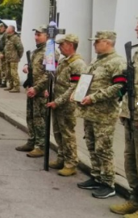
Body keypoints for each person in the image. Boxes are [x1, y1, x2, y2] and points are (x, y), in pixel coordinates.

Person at [76, 31, 126, 199]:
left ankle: (108, 183)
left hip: (104, 113)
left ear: (107, 42)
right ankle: (96, 176)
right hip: (90, 112)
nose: (94, 44)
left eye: (97, 42)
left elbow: (118, 87)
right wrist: (78, 94)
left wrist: (94, 97)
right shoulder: (97, 61)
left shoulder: (117, 62)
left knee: (103, 149)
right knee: (91, 145)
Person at [45, 34, 86, 176]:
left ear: (70, 45)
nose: (60, 48)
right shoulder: (64, 61)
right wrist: (49, 92)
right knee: (58, 133)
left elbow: (74, 88)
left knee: (67, 134)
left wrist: (58, 101)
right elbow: (56, 79)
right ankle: (61, 158)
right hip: (57, 102)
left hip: (67, 105)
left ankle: (71, 163)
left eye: (62, 45)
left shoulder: (78, 64)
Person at [110, 22, 138, 216]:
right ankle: (135, 200)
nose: (136, 28)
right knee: (130, 161)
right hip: (131, 115)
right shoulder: (136, 53)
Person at [16, 25, 55, 157]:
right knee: (31, 117)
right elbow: (36, 68)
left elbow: (49, 74)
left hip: (41, 91)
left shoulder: (49, 51)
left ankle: (41, 146)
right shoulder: (36, 51)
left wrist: (37, 88)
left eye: (39, 35)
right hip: (32, 89)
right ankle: (32, 141)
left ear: (47, 36)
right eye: (35, 34)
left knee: (40, 120)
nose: (36, 37)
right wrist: (27, 67)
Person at [3, 25, 23, 92]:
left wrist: (18, 56)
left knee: (14, 73)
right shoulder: (8, 37)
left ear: (11, 30)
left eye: (8, 28)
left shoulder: (15, 38)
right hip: (8, 58)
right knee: (8, 73)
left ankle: (16, 87)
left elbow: (20, 48)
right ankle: (11, 86)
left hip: (14, 59)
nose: (6, 29)